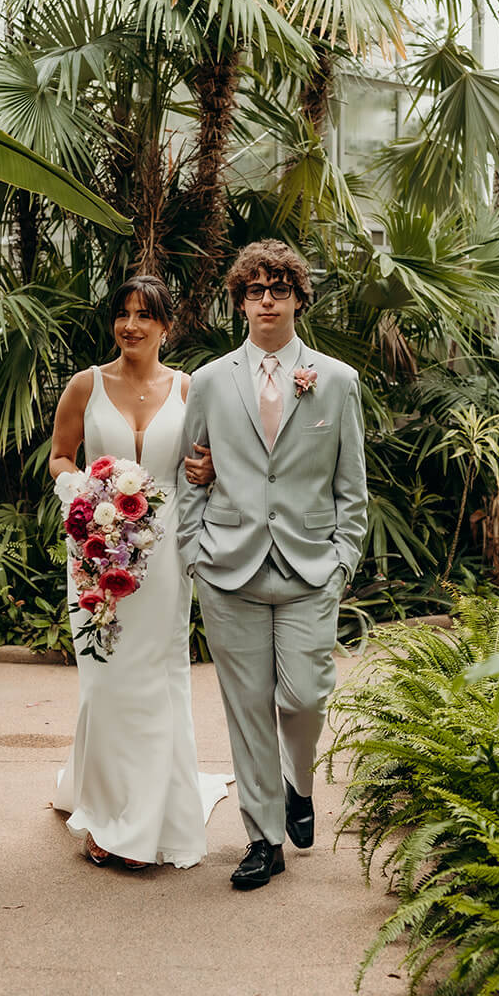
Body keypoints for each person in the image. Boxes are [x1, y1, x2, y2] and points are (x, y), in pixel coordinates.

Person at [175, 239, 367, 890]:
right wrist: (194, 553)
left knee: (307, 695)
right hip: (228, 568)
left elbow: (352, 485)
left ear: (298, 298)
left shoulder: (336, 381)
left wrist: (343, 558)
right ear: (238, 301)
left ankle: (298, 783)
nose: (265, 300)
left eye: (278, 288)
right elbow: (188, 477)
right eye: (254, 289)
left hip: (311, 567)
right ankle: (262, 838)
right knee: (246, 706)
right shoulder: (206, 381)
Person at [50, 273, 228, 869]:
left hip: (166, 551)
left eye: (144, 315)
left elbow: (204, 461)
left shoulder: (191, 389)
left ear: (165, 326)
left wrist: (204, 474)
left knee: (159, 676)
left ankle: (152, 819)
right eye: (123, 314)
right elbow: (59, 455)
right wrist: (78, 492)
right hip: (94, 549)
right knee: (104, 676)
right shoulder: (84, 385)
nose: (131, 325)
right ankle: (103, 814)